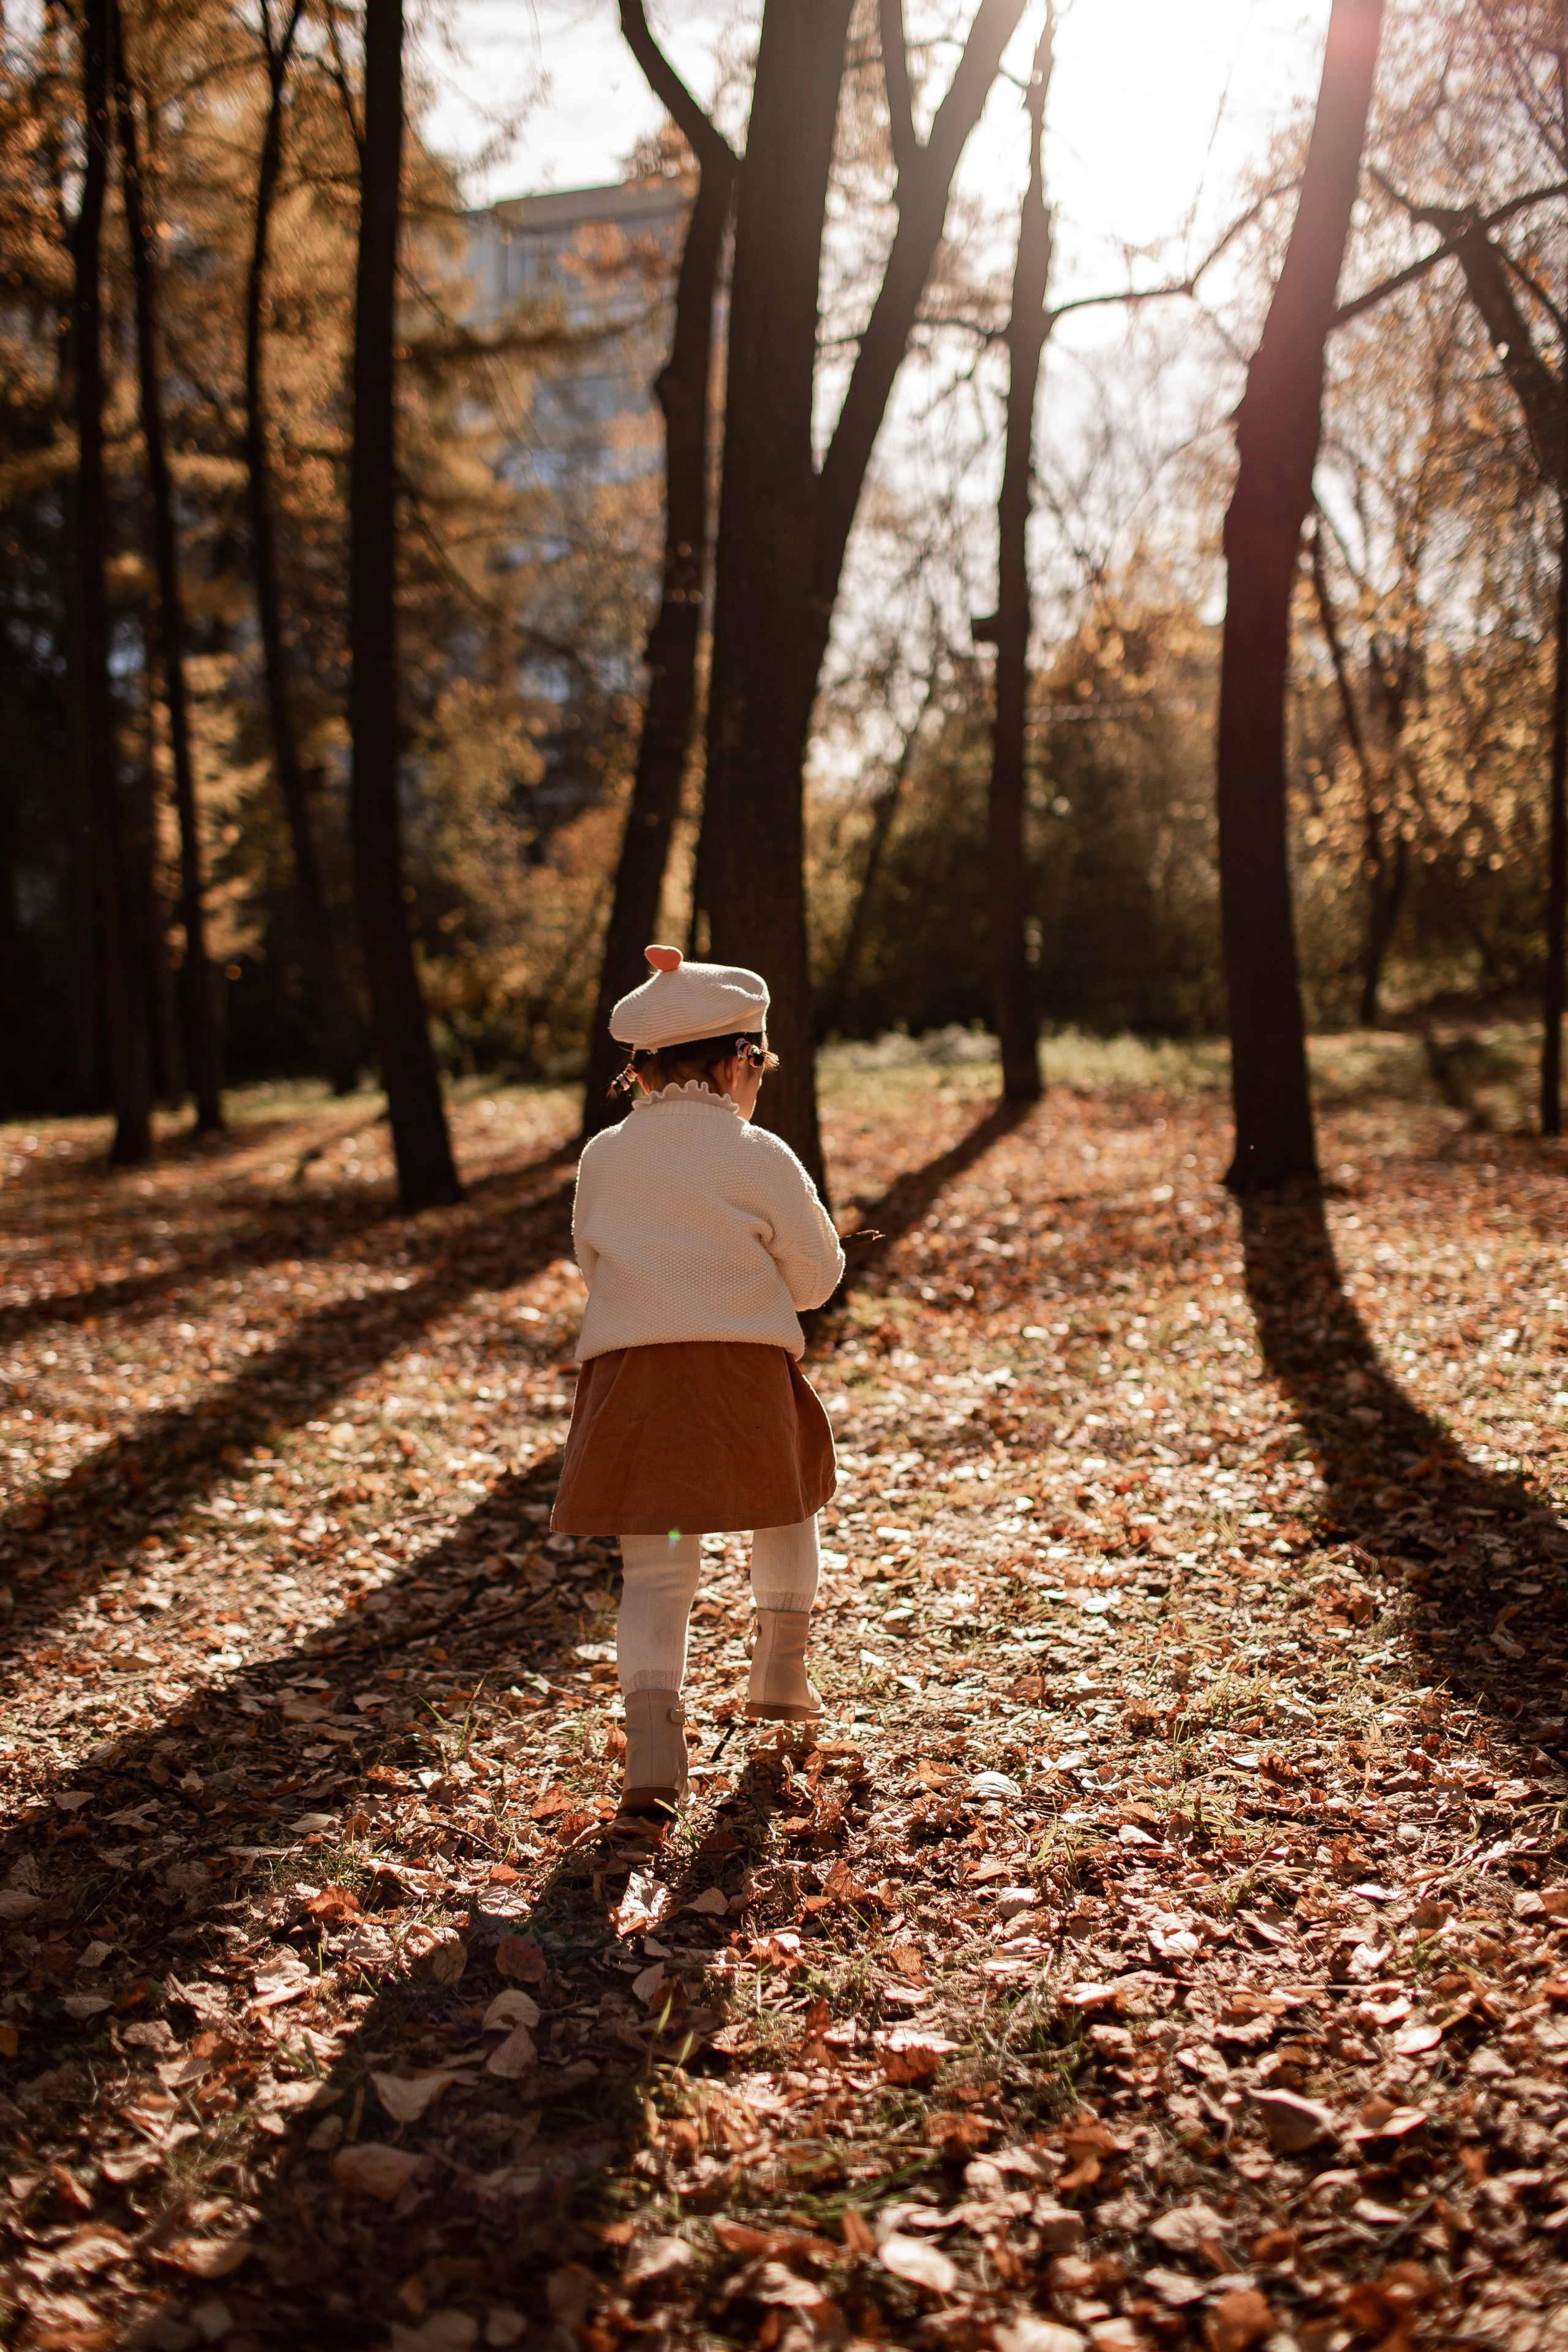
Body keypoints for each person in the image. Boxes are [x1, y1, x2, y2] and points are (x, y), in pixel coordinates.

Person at [552, 944, 845, 1830]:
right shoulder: (757, 1152)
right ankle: (780, 1667)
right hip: (741, 1372)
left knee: (656, 1569)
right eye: (759, 1067)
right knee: (786, 1507)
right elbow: (819, 1273)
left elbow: (592, 1261)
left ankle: (651, 1753)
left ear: (643, 1071)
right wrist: (759, 1292)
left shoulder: (605, 1156)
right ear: (737, 1061)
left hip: (636, 1382)